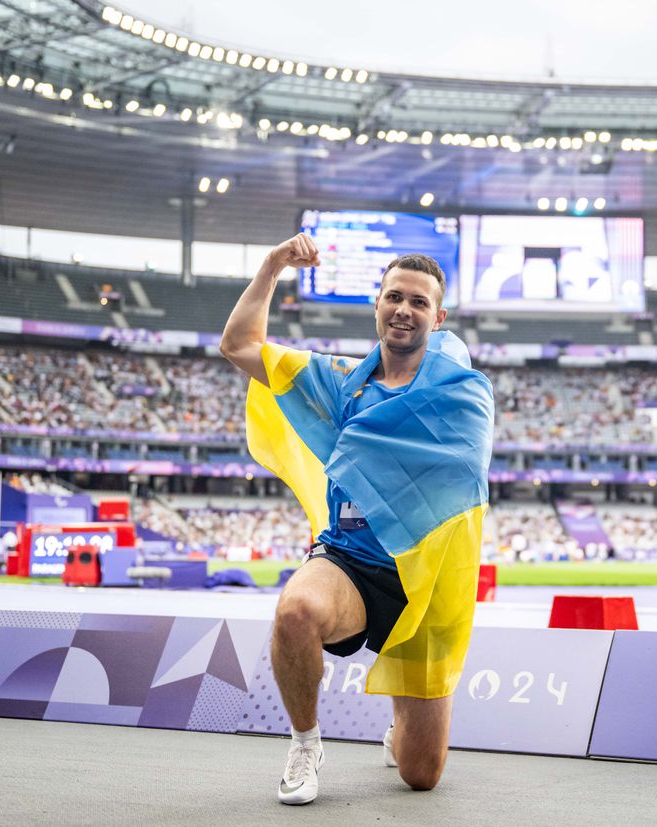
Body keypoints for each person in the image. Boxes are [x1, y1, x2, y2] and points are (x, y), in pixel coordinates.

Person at [220, 233, 493, 805]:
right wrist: (271, 267)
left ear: (438, 317)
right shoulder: (341, 381)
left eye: (419, 302)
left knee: (420, 777)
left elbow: (464, 475)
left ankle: (402, 723)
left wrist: (365, 447)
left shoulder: (466, 394)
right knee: (295, 611)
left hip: (425, 580)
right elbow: (239, 345)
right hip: (351, 559)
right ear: (377, 305)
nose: (404, 310)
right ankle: (305, 741)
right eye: (395, 297)